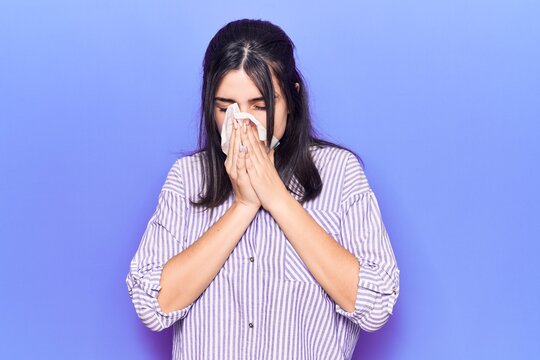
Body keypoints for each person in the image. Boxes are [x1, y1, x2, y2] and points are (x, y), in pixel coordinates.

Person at [126, 18, 400, 360]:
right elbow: (152, 306)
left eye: (260, 106)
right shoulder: (187, 178)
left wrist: (277, 198)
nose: (244, 123)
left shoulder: (340, 174)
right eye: (226, 108)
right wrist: (243, 206)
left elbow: (375, 306)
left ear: (291, 98)